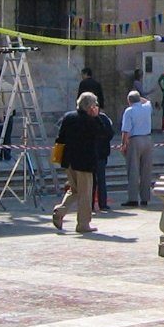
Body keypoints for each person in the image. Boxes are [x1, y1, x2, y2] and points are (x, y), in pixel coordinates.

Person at [53, 91, 103, 234]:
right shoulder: (90, 121)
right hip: (84, 162)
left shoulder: (68, 117)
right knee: (85, 194)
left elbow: (60, 137)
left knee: (74, 190)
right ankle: (83, 224)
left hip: (69, 160)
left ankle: (60, 211)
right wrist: (97, 117)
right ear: (91, 106)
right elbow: (104, 132)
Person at [119, 90, 155, 206]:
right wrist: (140, 99)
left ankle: (133, 198)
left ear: (129, 101)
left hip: (135, 139)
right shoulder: (147, 107)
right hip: (148, 139)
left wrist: (123, 144)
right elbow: (147, 101)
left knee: (133, 170)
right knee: (146, 170)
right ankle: (145, 197)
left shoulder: (129, 111)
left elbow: (126, 130)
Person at [93, 105, 116, 211]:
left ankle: (91, 204)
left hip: (95, 153)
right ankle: (102, 203)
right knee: (100, 179)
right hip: (100, 152)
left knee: (93, 180)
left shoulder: (101, 118)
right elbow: (110, 134)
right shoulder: (103, 118)